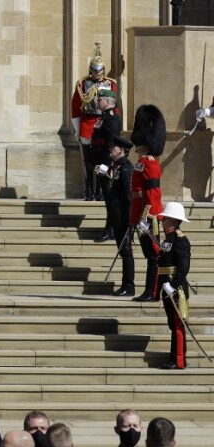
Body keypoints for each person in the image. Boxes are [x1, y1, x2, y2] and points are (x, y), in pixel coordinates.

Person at [70, 42, 118, 201]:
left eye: (101, 69)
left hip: (105, 125)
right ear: (91, 69)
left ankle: (102, 189)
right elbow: (76, 107)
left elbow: (115, 108)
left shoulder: (111, 84)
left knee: (105, 159)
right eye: (95, 69)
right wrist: (78, 129)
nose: (98, 72)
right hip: (87, 126)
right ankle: (89, 189)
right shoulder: (82, 84)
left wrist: (114, 130)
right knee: (88, 162)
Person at [128, 104, 165, 303]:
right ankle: (149, 290)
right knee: (149, 256)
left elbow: (152, 194)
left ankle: (152, 291)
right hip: (141, 216)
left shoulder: (150, 164)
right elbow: (137, 194)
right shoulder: (142, 162)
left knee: (154, 257)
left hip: (150, 218)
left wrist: (146, 218)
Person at [97, 135, 136, 296]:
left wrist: (129, 219)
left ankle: (128, 286)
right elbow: (110, 195)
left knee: (126, 252)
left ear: (121, 150)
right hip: (116, 218)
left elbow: (128, 197)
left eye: (113, 149)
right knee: (123, 252)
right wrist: (102, 178)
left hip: (124, 218)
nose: (111, 152)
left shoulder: (126, 168)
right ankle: (125, 284)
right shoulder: (116, 167)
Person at [155, 201, 192, 370]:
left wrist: (173, 285)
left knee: (177, 325)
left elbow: (183, 267)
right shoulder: (169, 238)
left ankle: (178, 360)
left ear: (173, 220)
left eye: (166, 218)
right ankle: (174, 357)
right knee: (172, 323)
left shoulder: (180, 240)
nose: (162, 221)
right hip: (167, 286)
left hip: (176, 289)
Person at [90, 89, 122, 236]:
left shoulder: (112, 120)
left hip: (107, 164)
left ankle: (112, 229)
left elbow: (112, 145)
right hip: (101, 162)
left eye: (100, 99)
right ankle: (110, 228)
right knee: (108, 199)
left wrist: (107, 165)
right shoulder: (104, 118)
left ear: (108, 102)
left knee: (111, 199)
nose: (98, 101)